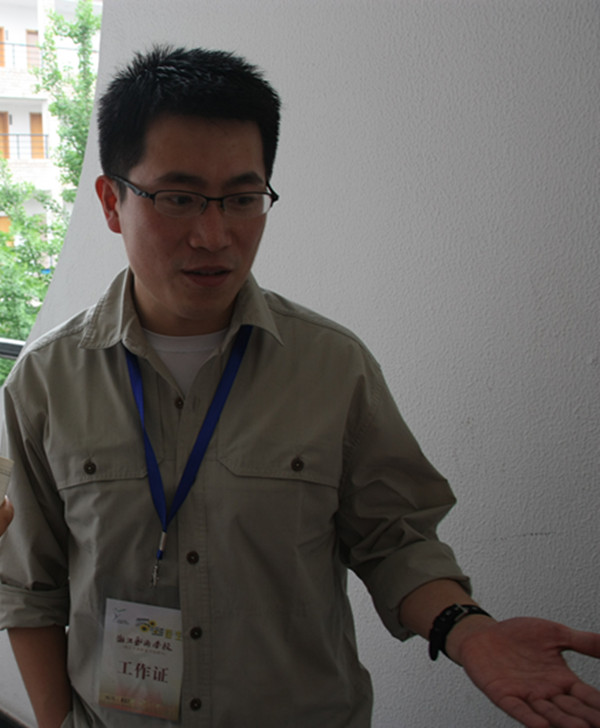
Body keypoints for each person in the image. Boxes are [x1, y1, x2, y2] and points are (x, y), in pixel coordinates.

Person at [0, 45, 598, 728]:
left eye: (243, 198)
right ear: (112, 202)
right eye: (178, 198)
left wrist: (469, 631)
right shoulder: (45, 380)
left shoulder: (333, 367)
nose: (214, 234)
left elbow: (395, 540)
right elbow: (29, 588)